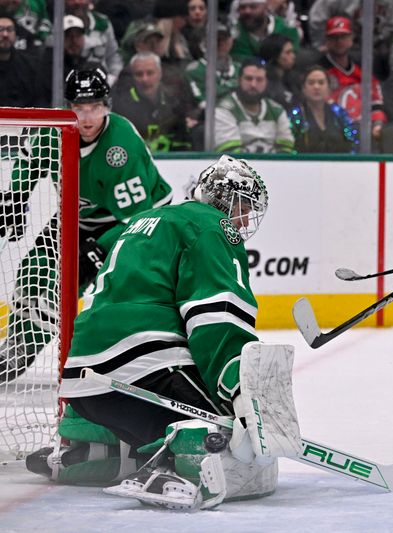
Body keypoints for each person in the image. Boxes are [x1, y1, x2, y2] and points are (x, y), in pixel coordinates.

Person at [25, 155, 301, 511]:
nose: (245, 220)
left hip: (83, 383)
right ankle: (176, 466)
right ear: (224, 199)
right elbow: (216, 317)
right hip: (144, 368)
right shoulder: (212, 226)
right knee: (226, 434)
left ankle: (92, 451)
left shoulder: (146, 219)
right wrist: (238, 390)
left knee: (167, 416)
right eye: (243, 208)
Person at [0, 68, 173, 382]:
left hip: (133, 223)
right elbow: (27, 163)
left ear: (107, 106)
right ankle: (17, 346)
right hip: (76, 218)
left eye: (95, 107)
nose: (88, 117)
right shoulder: (54, 132)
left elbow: (138, 221)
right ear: (69, 107)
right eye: (80, 108)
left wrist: (99, 249)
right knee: (33, 268)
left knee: (69, 288)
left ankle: (132, 358)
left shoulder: (121, 147)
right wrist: (16, 196)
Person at [319, 16, 387, 144]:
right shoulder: (319, 72)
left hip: (365, 131)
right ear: (327, 41)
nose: (339, 41)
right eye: (334, 37)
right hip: (333, 133)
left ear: (351, 39)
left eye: (343, 36)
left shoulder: (364, 69)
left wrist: (377, 125)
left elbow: (376, 103)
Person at [112, 52, 196, 152]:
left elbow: (183, 141)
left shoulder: (175, 100)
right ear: (132, 76)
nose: (145, 79)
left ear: (160, 74)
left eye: (150, 73)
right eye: (139, 74)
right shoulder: (119, 104)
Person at [214, 57, 295, 153]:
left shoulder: (277, 110)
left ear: (266, 83)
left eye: (259, 80)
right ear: (239, 81)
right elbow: (229, 154)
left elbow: (287, 150)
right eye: (248, 79)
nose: (253, 85)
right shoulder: (224, 110)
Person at [289, 65, 358, 153]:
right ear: (304, 88)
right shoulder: (295, 116)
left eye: (321, 83)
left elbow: (352, 144)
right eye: (311, 83)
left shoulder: (339, 114)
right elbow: (288, 148)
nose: (316, 87)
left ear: (328, 88)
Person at [66, 0, 123, 86]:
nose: (77, 2)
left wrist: (114, 78)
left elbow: (113, 56)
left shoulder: (103, 23)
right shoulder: (57, 23)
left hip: (102, 83)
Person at [0, 15, 45, 106]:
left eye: (10, 29)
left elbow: (38, 100)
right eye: (0, 30)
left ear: (16, 34)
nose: (5, 34)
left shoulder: (28, 66)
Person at [259, 33, 301, 111]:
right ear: (275, 56)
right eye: (288, 52)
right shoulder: (265, 83)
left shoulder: (292, 78)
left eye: (293, 52)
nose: (293, 56)